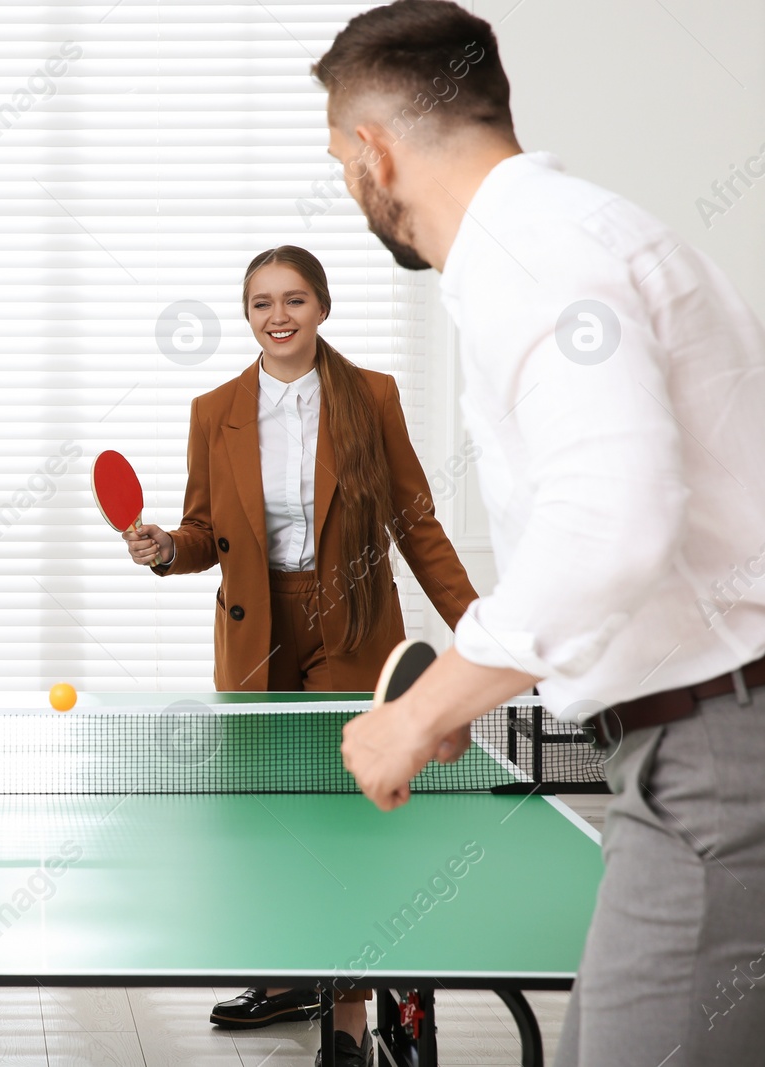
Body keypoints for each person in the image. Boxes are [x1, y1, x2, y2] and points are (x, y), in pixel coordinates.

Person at [316, 5, 765, 1067]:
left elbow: (610, 518)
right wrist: (473, 690)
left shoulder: (529, 254)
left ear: (371, 151)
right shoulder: (577, 234)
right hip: (716, 750)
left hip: (723, 760)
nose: (350, 187)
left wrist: (419, 713)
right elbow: (637, 541)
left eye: (339, 160)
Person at [125, 244, 477, 1065]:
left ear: (322, 305)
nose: (277, 316)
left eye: (293, 300)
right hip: (257, 630)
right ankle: (289, 977)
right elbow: (205, 532)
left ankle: (347, 1018)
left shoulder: (370, 396)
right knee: (269, 816)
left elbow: (415, 522)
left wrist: (482, 630)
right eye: (261, 303)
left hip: (352, 620)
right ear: (247, 315)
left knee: (345, 820)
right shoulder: (215, 408)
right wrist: (163, 550)